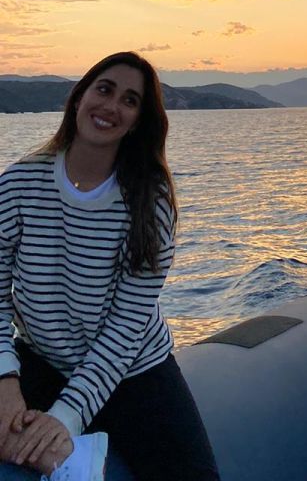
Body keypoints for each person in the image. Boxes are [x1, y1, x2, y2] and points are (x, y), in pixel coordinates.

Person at [0, 52, 221, 481]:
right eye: (104, 89)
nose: (111, 106)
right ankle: (69, 460)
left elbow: (126, 327)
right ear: (79, 97)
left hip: (133, 369)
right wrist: (6, 380)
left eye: (130, 100)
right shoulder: (19, 184)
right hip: (42, 359)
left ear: (137, 122)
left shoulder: (150, 203)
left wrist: (65, 417)